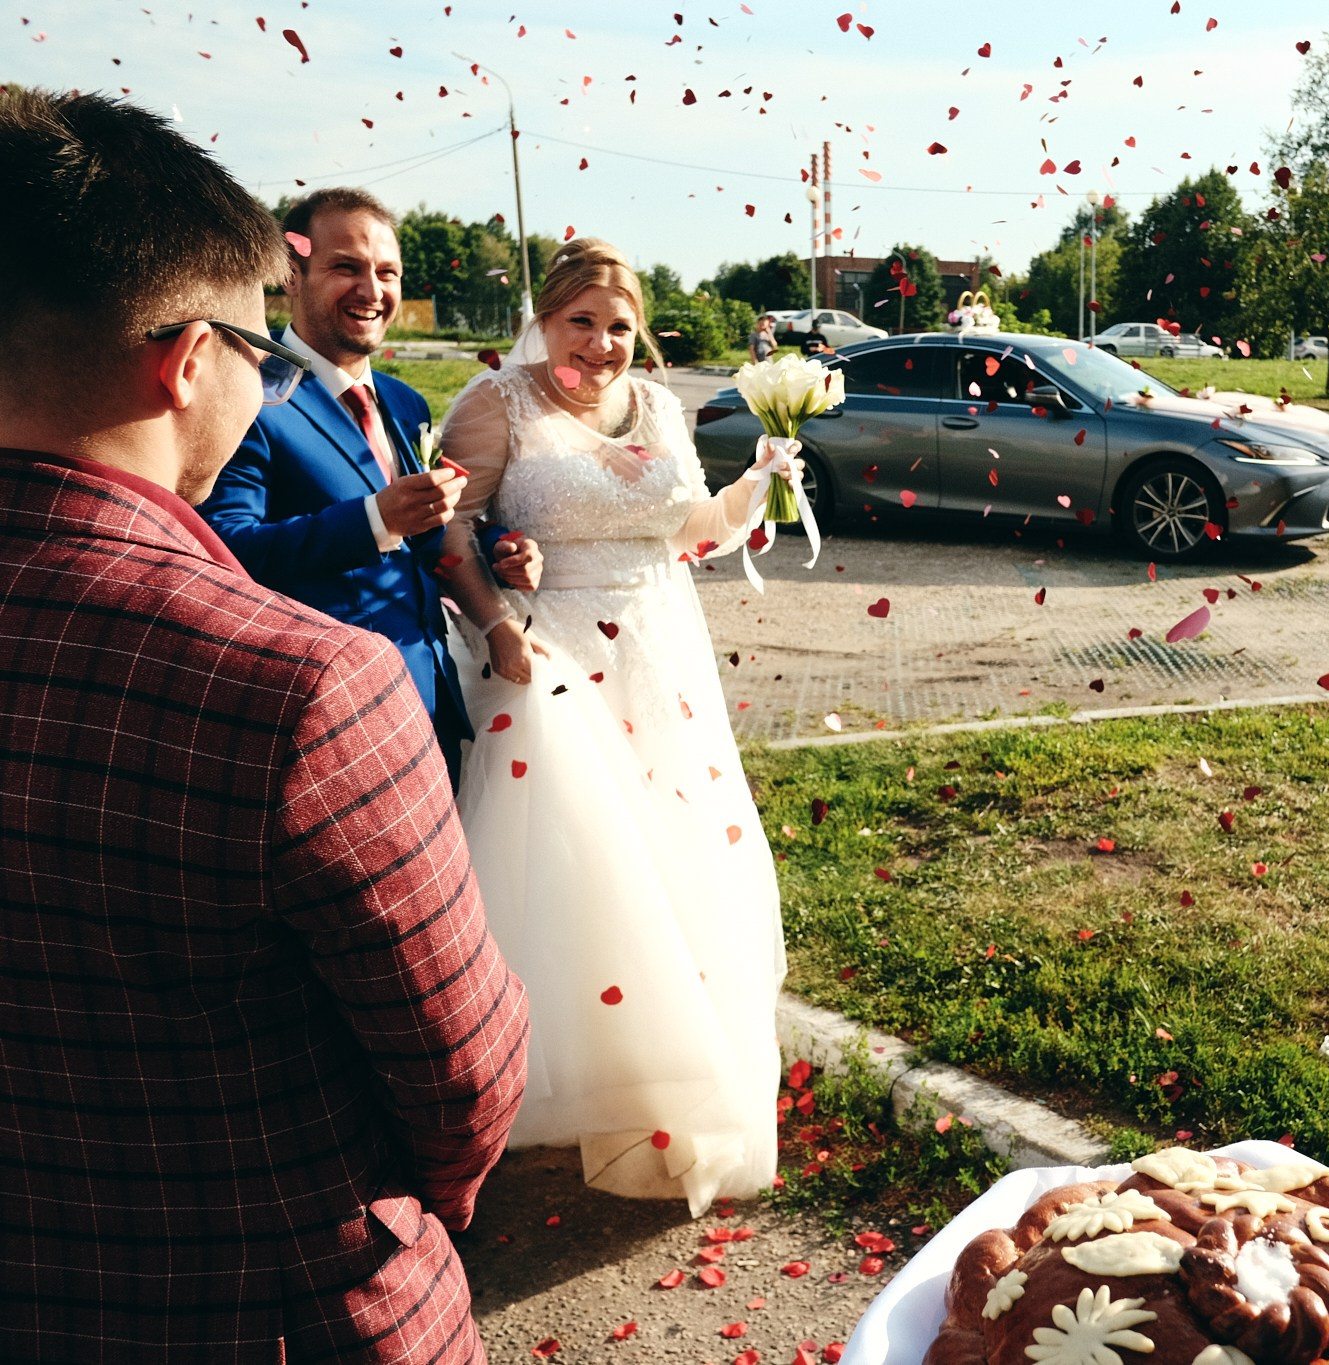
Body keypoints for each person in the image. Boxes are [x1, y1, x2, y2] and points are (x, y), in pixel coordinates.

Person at [0, 88, 527, 1361]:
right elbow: (464, 1080)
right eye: (253, 352)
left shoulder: (400, 400)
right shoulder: (293, 691)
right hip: (271, 1297)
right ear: (188, 362)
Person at [432, 237, 793, 1212]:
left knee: (672, 868)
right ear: (544, 320)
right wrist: (496, 624)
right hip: (549, 661)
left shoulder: (660, 409)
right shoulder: (495, 402)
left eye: (618, 326)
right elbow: (447, 531)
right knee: (578, 876)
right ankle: (546, 1092)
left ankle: (662, 1093)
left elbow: (686, 532)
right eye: (579, 322)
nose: (598, 344)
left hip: (661, 663)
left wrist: (756, 484)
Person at [199, 187, 544, 791]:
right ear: (291, 274)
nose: (372, 289)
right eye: (345, 267)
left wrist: (498, 547)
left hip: (430, 693)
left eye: (388, 272)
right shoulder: (251, 399)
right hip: (323, 721)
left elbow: (428, 539)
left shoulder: (404, 402)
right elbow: (227, 552)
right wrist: (373, 519)